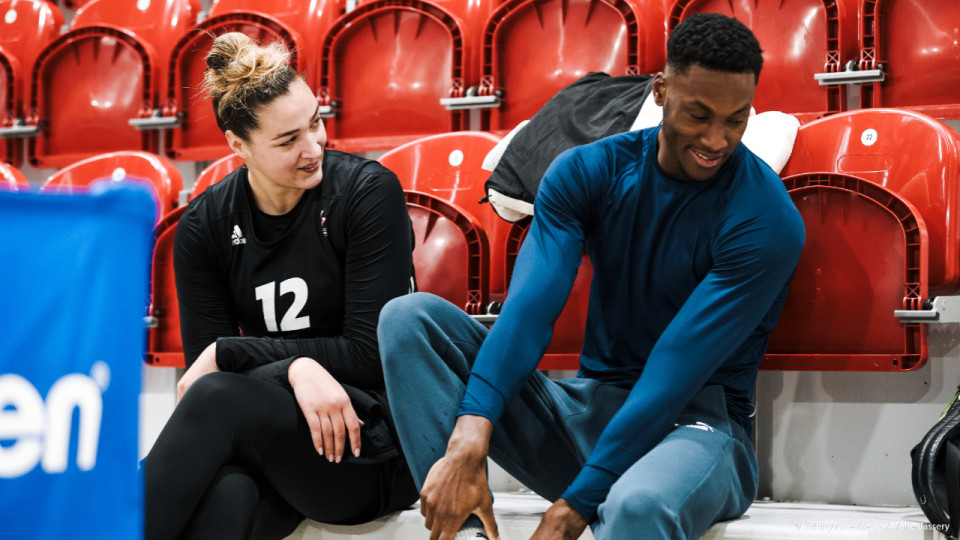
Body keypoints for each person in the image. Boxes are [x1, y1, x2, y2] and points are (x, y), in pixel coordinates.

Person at [378, 13, 805, 540]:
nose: (716, 139)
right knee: (409, 318)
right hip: (592, 412)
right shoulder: (589, 171)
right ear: (662, 90)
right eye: (699, 115)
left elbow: (676, 370)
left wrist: (574, 507)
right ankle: (463, 529)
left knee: (637, 507)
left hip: (698, 428)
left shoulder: (766, 219)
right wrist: (470, 432)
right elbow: (530, 313)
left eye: (735, 120)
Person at [142, 33, 418, 539]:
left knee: (221, 399)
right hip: (278, 435)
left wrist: (242, 354)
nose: (313, 147)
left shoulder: (366, 193)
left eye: (315, 122)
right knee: (228, 494)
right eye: (288, 140)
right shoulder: (205, 225)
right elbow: (207, 372)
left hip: (373, 444)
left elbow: (370, 355)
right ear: (237, 145)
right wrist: (295, 367)